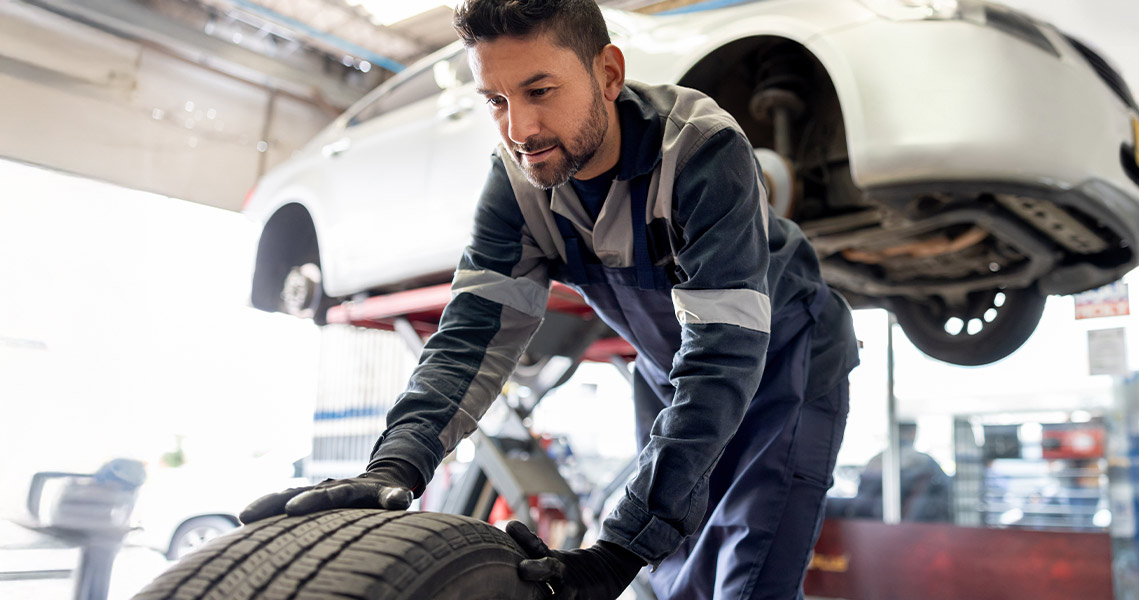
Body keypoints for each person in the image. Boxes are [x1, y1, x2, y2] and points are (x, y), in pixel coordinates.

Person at [238, 1, 859, 598]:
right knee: (674, 583)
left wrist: (618, 547)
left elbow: (724, 355)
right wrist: (395, 466)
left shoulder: (698, 151)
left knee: (748, 579)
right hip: (671, 373)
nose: (519, 129)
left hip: (787, 364)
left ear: (608, 74)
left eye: (540, 91)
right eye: (497, 100)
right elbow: (471, 338)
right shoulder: (518, 180)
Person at [830, 422, 953, 523]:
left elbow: (862, 497)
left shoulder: (876, 460)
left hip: (873, 528)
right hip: (917, 529)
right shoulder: (925, 461)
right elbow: (946, 493)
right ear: (913, 433)